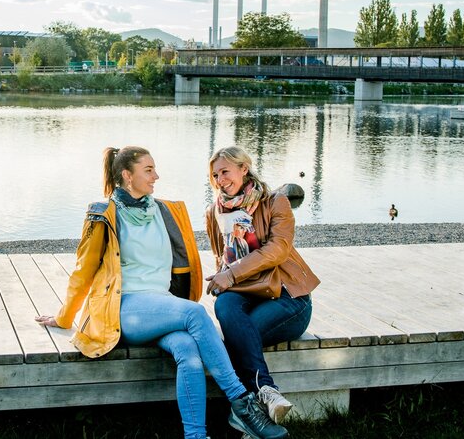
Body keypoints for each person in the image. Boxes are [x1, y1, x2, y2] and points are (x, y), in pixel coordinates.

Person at [36, 146, 288, 439]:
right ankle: (243, 404)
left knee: (188, 351)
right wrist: (64, 317)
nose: (157, 176)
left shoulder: (165, 211)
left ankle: (196, 436)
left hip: (162, 307)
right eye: (148, 170)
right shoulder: (104, 214)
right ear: (127, 176)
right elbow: (83, 271)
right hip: (125, 307)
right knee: (194, 312)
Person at [204, 145, 321, 424]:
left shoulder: (274, 202)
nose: (220, 180)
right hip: (245, 292)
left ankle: (245, 411)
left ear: (244, 169)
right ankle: (266, 394)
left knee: (241, 336)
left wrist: (230, 275)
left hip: (287, 298)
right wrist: (222, 274)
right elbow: (220, 255)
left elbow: (277, 250)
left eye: (225, 172)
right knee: (225, 304)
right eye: (215, 174)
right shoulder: (214, 212)